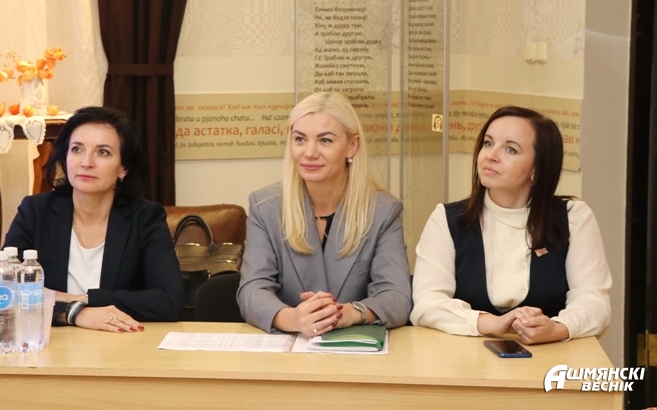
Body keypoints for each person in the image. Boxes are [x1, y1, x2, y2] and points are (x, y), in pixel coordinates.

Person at [410, 106, 611, 344]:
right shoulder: (447, 219)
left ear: (537, 169)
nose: (491, 155)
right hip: (464, 355)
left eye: (510, 149)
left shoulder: (573, 217)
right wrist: (490, 323)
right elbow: (427, 302)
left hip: (552, 355)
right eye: (488, 143)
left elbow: (595, 302)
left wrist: (557, 328)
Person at [237, 92, 412, 336]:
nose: (310, 152)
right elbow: (252, 290)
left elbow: (397, 296)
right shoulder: (265, 206)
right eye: (300, 139)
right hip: (290, 345)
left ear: (352, 146)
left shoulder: (383, 211)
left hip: (355, 347)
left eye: (325, 140)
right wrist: (294, 318)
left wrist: (351, 313)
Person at [3, 106, 184, 332]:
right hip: (50, 343)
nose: (86, 162)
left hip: (118, 345)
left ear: (123, 168)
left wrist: (80, 298)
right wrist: (74, 313)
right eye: (77, 149)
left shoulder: (145, 217)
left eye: (103, 152)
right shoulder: (36, 211)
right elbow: (1, 293)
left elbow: (169, 301)